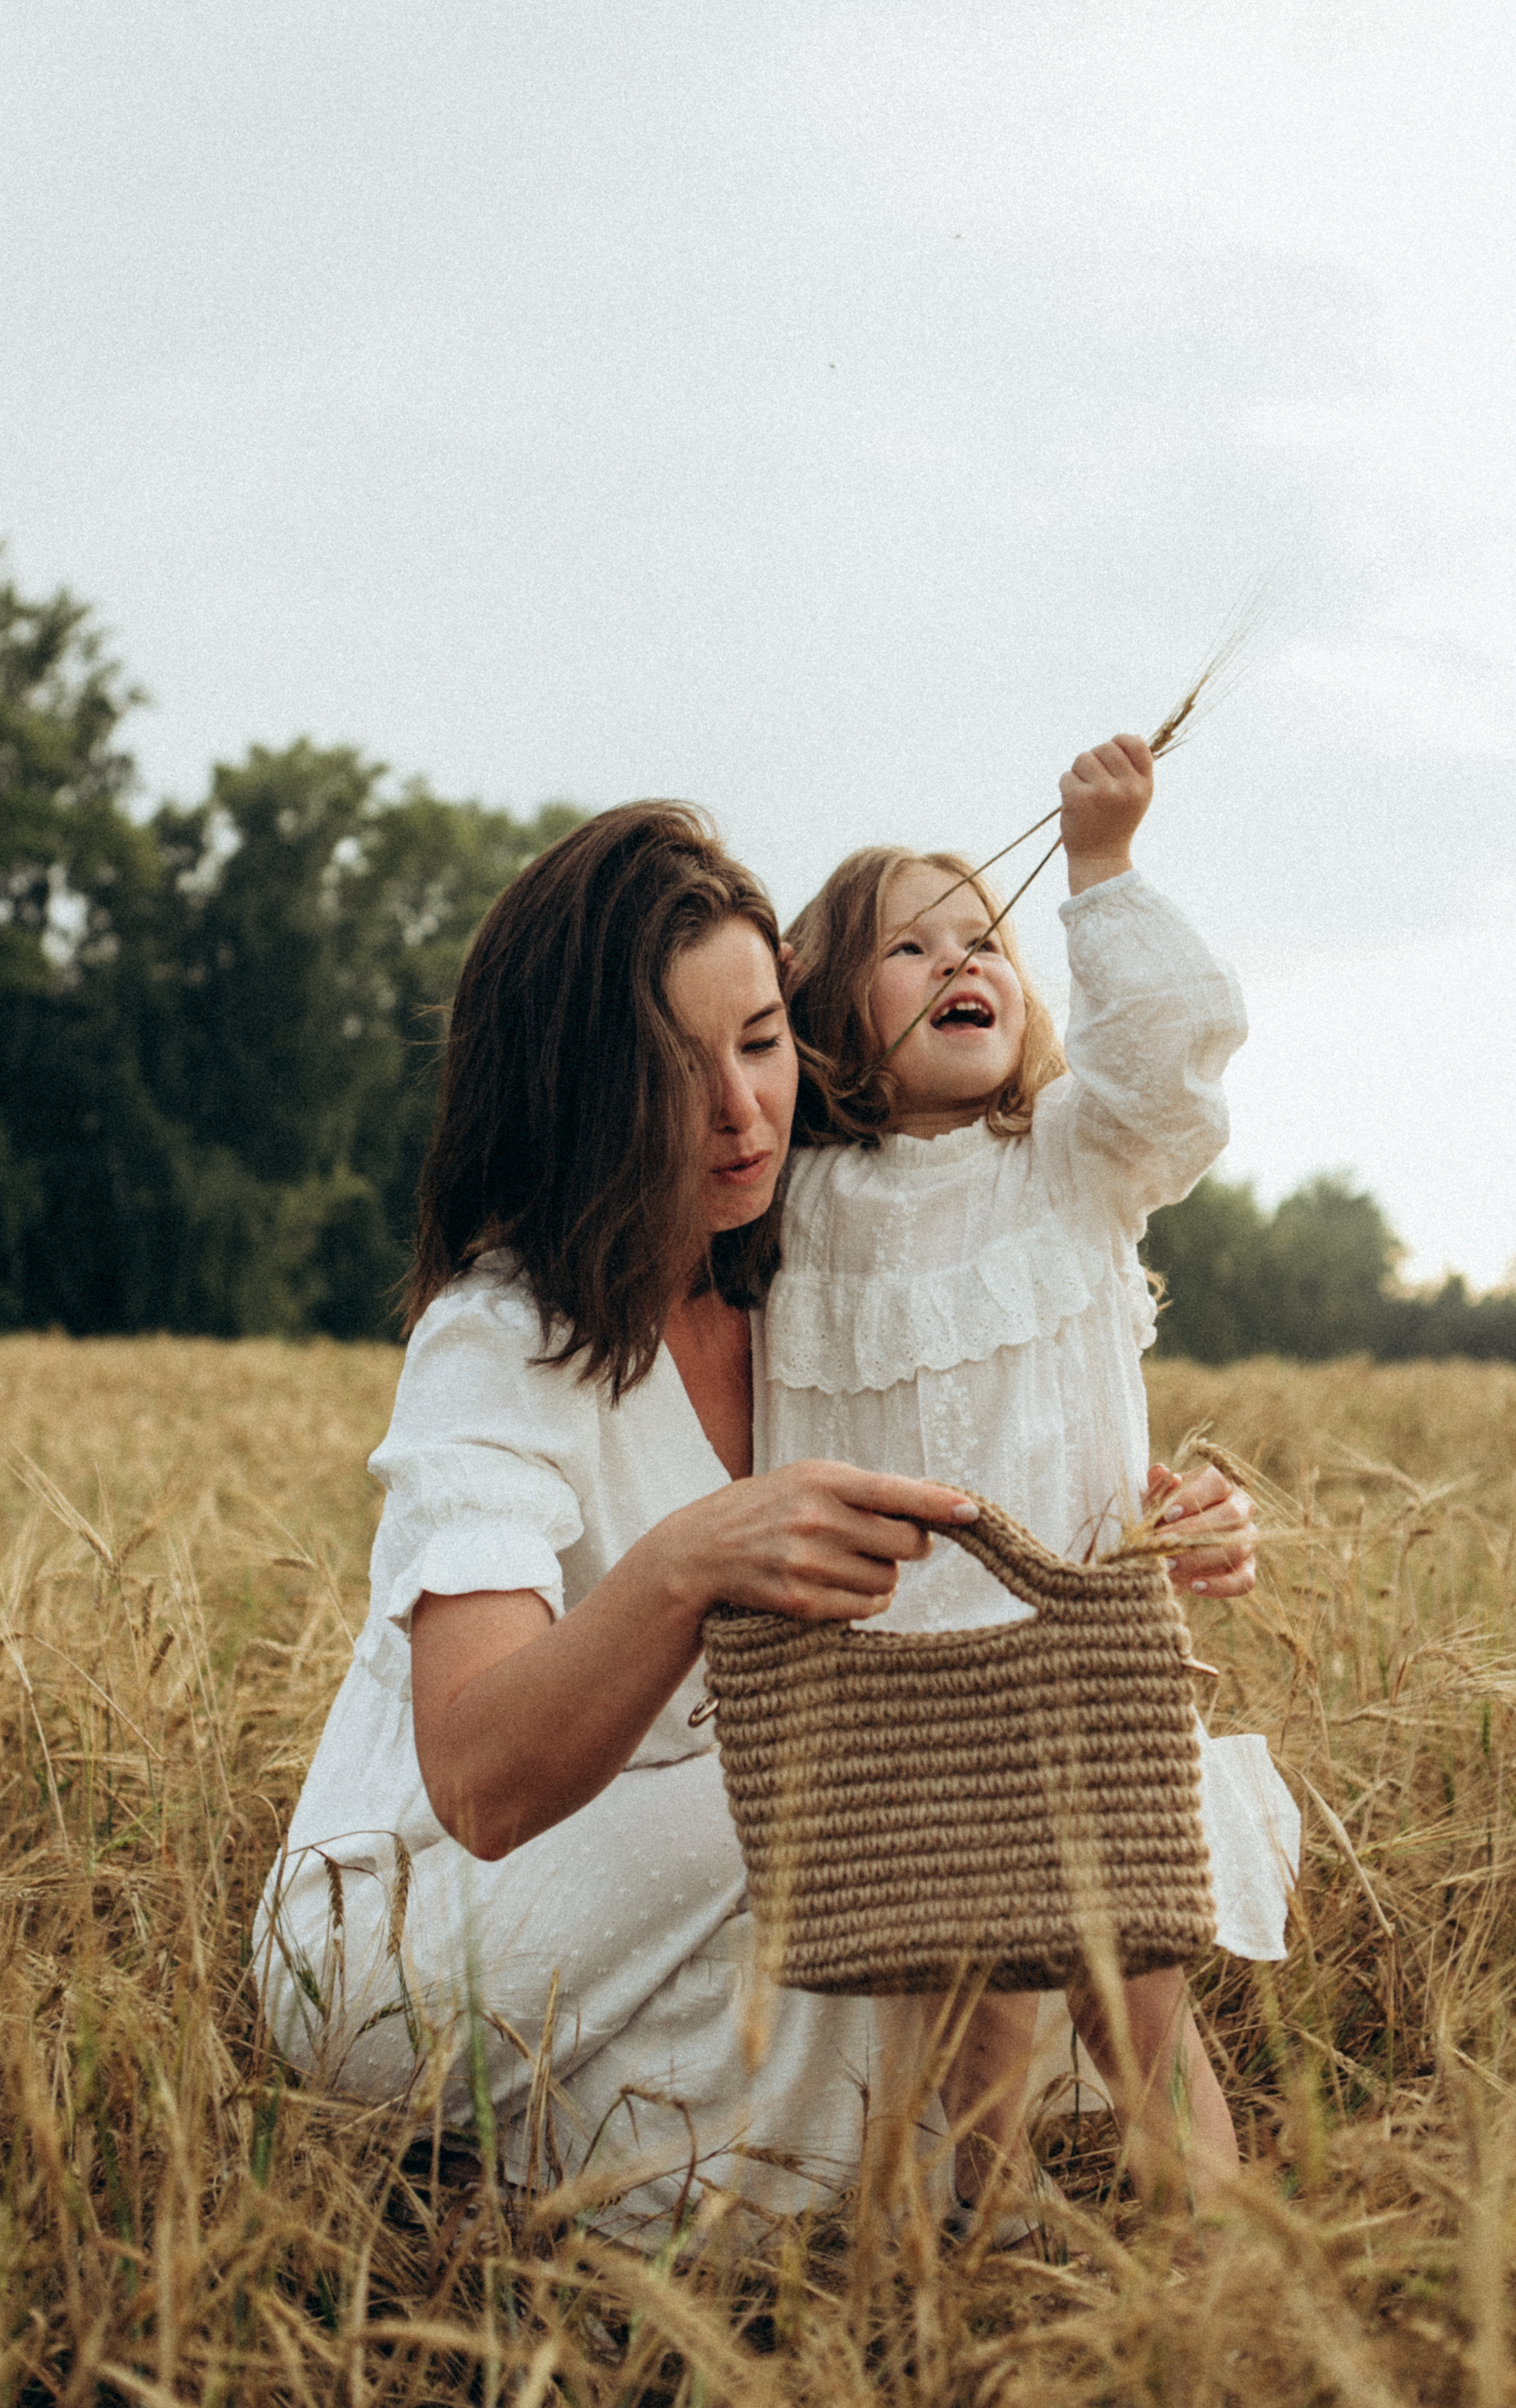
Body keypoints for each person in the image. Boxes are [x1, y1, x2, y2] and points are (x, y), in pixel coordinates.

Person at [254, 804, 982, 2242]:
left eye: (763, 1040)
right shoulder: (498, 1337)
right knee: (902, 1784)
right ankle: (560, 2166)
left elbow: (986, 1535)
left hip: (696, 1886)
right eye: (672, 1067)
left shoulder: (813, 1291)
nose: (741, 1110)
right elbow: (481, 1780)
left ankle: (550, 2180)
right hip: (422, 1936)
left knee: (924, 1980)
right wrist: (685, 1566)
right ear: (573, 1086)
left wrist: (1152, 1526)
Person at [761, 734, 1301, 2217]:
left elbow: (1177, 1051)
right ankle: (994, 2284)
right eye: (908, 946)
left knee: (1139, 2002)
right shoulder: (795, 1204)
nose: (959, 956)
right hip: (880, 1678)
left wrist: (1101, 872)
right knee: (967, 2038)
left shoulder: (1067, 1154)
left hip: (1076, 1642)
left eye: (983, 937)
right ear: (822, 1016)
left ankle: (1219, 2276)